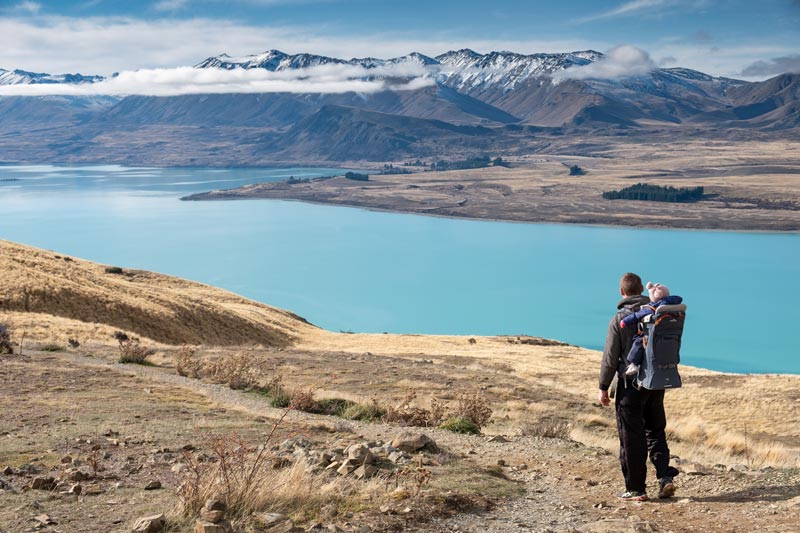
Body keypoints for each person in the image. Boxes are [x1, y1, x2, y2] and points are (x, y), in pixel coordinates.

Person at [597, 273, 679, 501]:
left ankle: (636, 489)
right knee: (655, 431)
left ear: (622, 292)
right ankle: (665, 478)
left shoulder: (619, 319)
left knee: (631, 438)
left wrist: (603, 387)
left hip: (629, 387)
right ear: (643, 289)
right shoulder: (658, 313)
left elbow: (610, 358)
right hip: (655, 383)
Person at [621, 282, 684, 376]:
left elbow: (636, 316)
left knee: (639, 340)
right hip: (668, 335)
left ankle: (633, 364)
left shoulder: (652, 308)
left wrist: (624, 322)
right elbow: (679, 298)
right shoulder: (672, 306)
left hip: (652, 335)